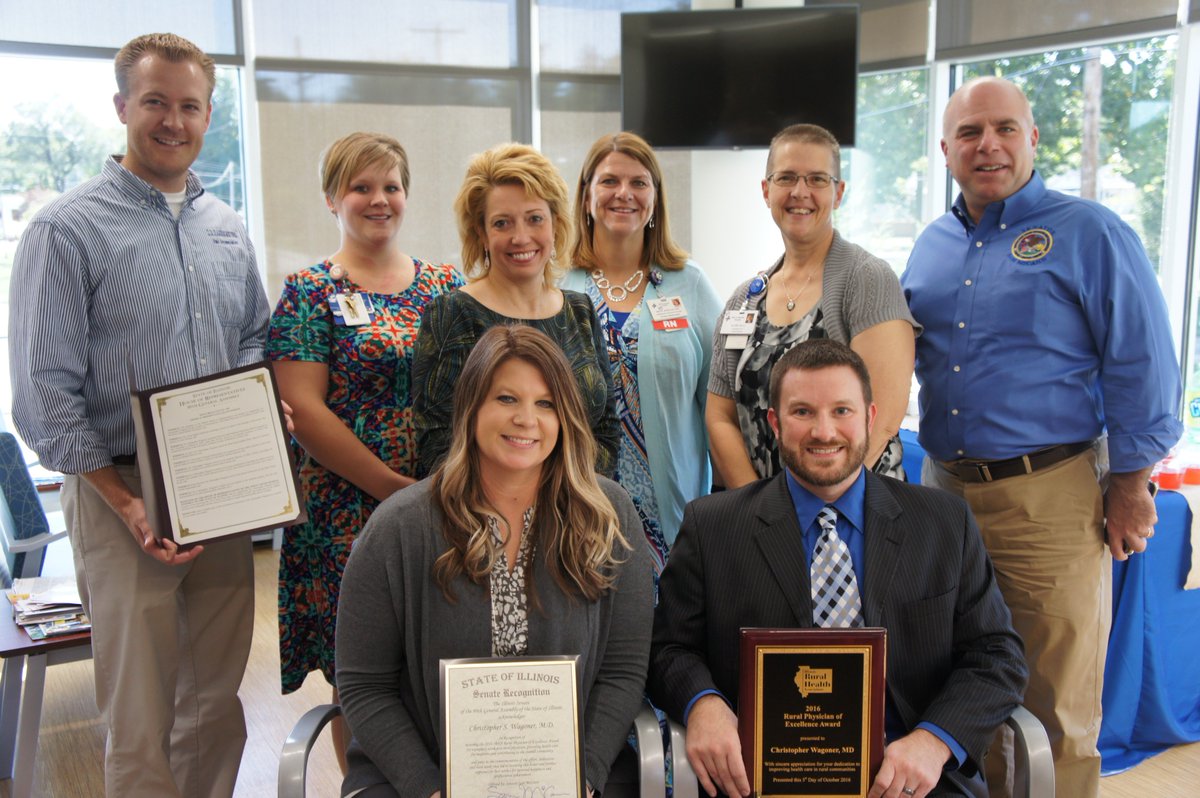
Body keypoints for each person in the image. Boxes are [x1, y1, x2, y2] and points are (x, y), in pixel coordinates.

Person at [901, 76, 1182, 798]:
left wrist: (1131, 483)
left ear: (1031, 138)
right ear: (945, 149)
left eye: (1003, 128)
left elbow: (1143, 363)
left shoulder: (1089, 232)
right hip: (945, 492)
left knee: (1054, 697)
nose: (986, 144)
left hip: (1048, 496)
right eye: (969, 133)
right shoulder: (931, 246)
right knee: (954, 676)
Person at [8, 33, 271, 797]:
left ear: (208, 115)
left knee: (214, 703)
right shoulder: (65, 230)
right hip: (115, 489)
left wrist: (257, 427)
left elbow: (251, 335)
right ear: (123, 106)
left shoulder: (225, 226)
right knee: (140, 711)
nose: (172, 120)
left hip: (218, 494)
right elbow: (44, 394)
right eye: (155, 101)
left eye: (190, 106)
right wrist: (125, 504)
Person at [650, 339, 1026, 798]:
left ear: (869, 417)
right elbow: (668, 648)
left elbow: (997, 654)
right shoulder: (713, 527)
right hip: (759, 780)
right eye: (802, 412)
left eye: (841, 411)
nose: (824, 432)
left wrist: (934, 742)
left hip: (909, 777)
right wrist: (702, 704)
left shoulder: (943, 524)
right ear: (774, 422)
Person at [336, 325, 653, 797]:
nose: (527, 419)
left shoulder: (607, 515)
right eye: (506, 399)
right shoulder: (400, 526)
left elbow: (623, 670)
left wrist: (584, 776)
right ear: (471, 408)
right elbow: (364, 686)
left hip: (571, 778)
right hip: (419, 777)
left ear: (565, 416)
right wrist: (428, 788)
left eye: (546, 404)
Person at [267, 132, 464, 759]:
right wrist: (393, 490)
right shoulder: (309, 290)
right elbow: (304, 410)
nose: (379, 200)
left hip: (445, 504)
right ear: (332, 198)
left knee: (441, 661)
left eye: (391, 186)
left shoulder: (447, 284)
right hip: (347, 510)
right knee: (363, 676)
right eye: (361, 187)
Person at [707, 123, 919, 490]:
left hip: (855, 515)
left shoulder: (868, 279)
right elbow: (720, 416)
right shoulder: (744, 299)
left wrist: (810, 508)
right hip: (762, 519)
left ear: (838, 193)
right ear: (766, 190)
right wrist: (759, 509)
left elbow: (881, 417)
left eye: (817, 179)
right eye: (786, 177)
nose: (800, 192)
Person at [562, 132, 723, 575]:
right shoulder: (556, 284)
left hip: (673, 514)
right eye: (609, 181)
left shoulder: (688, 283)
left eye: (639, 182)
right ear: (587, 193)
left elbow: (720, 402)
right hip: (577, 511)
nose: (624, 194)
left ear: (655, 197)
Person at [412, 143, 619, 477]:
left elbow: (606, 431)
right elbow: (436, 444)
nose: (521, 237)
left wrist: (576, 504)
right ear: (480, 232)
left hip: (578, 516)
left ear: (555, 224)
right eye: (502, 223)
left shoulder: (580, 311)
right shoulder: (452, 313)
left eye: (534, 219)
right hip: (482, 518)